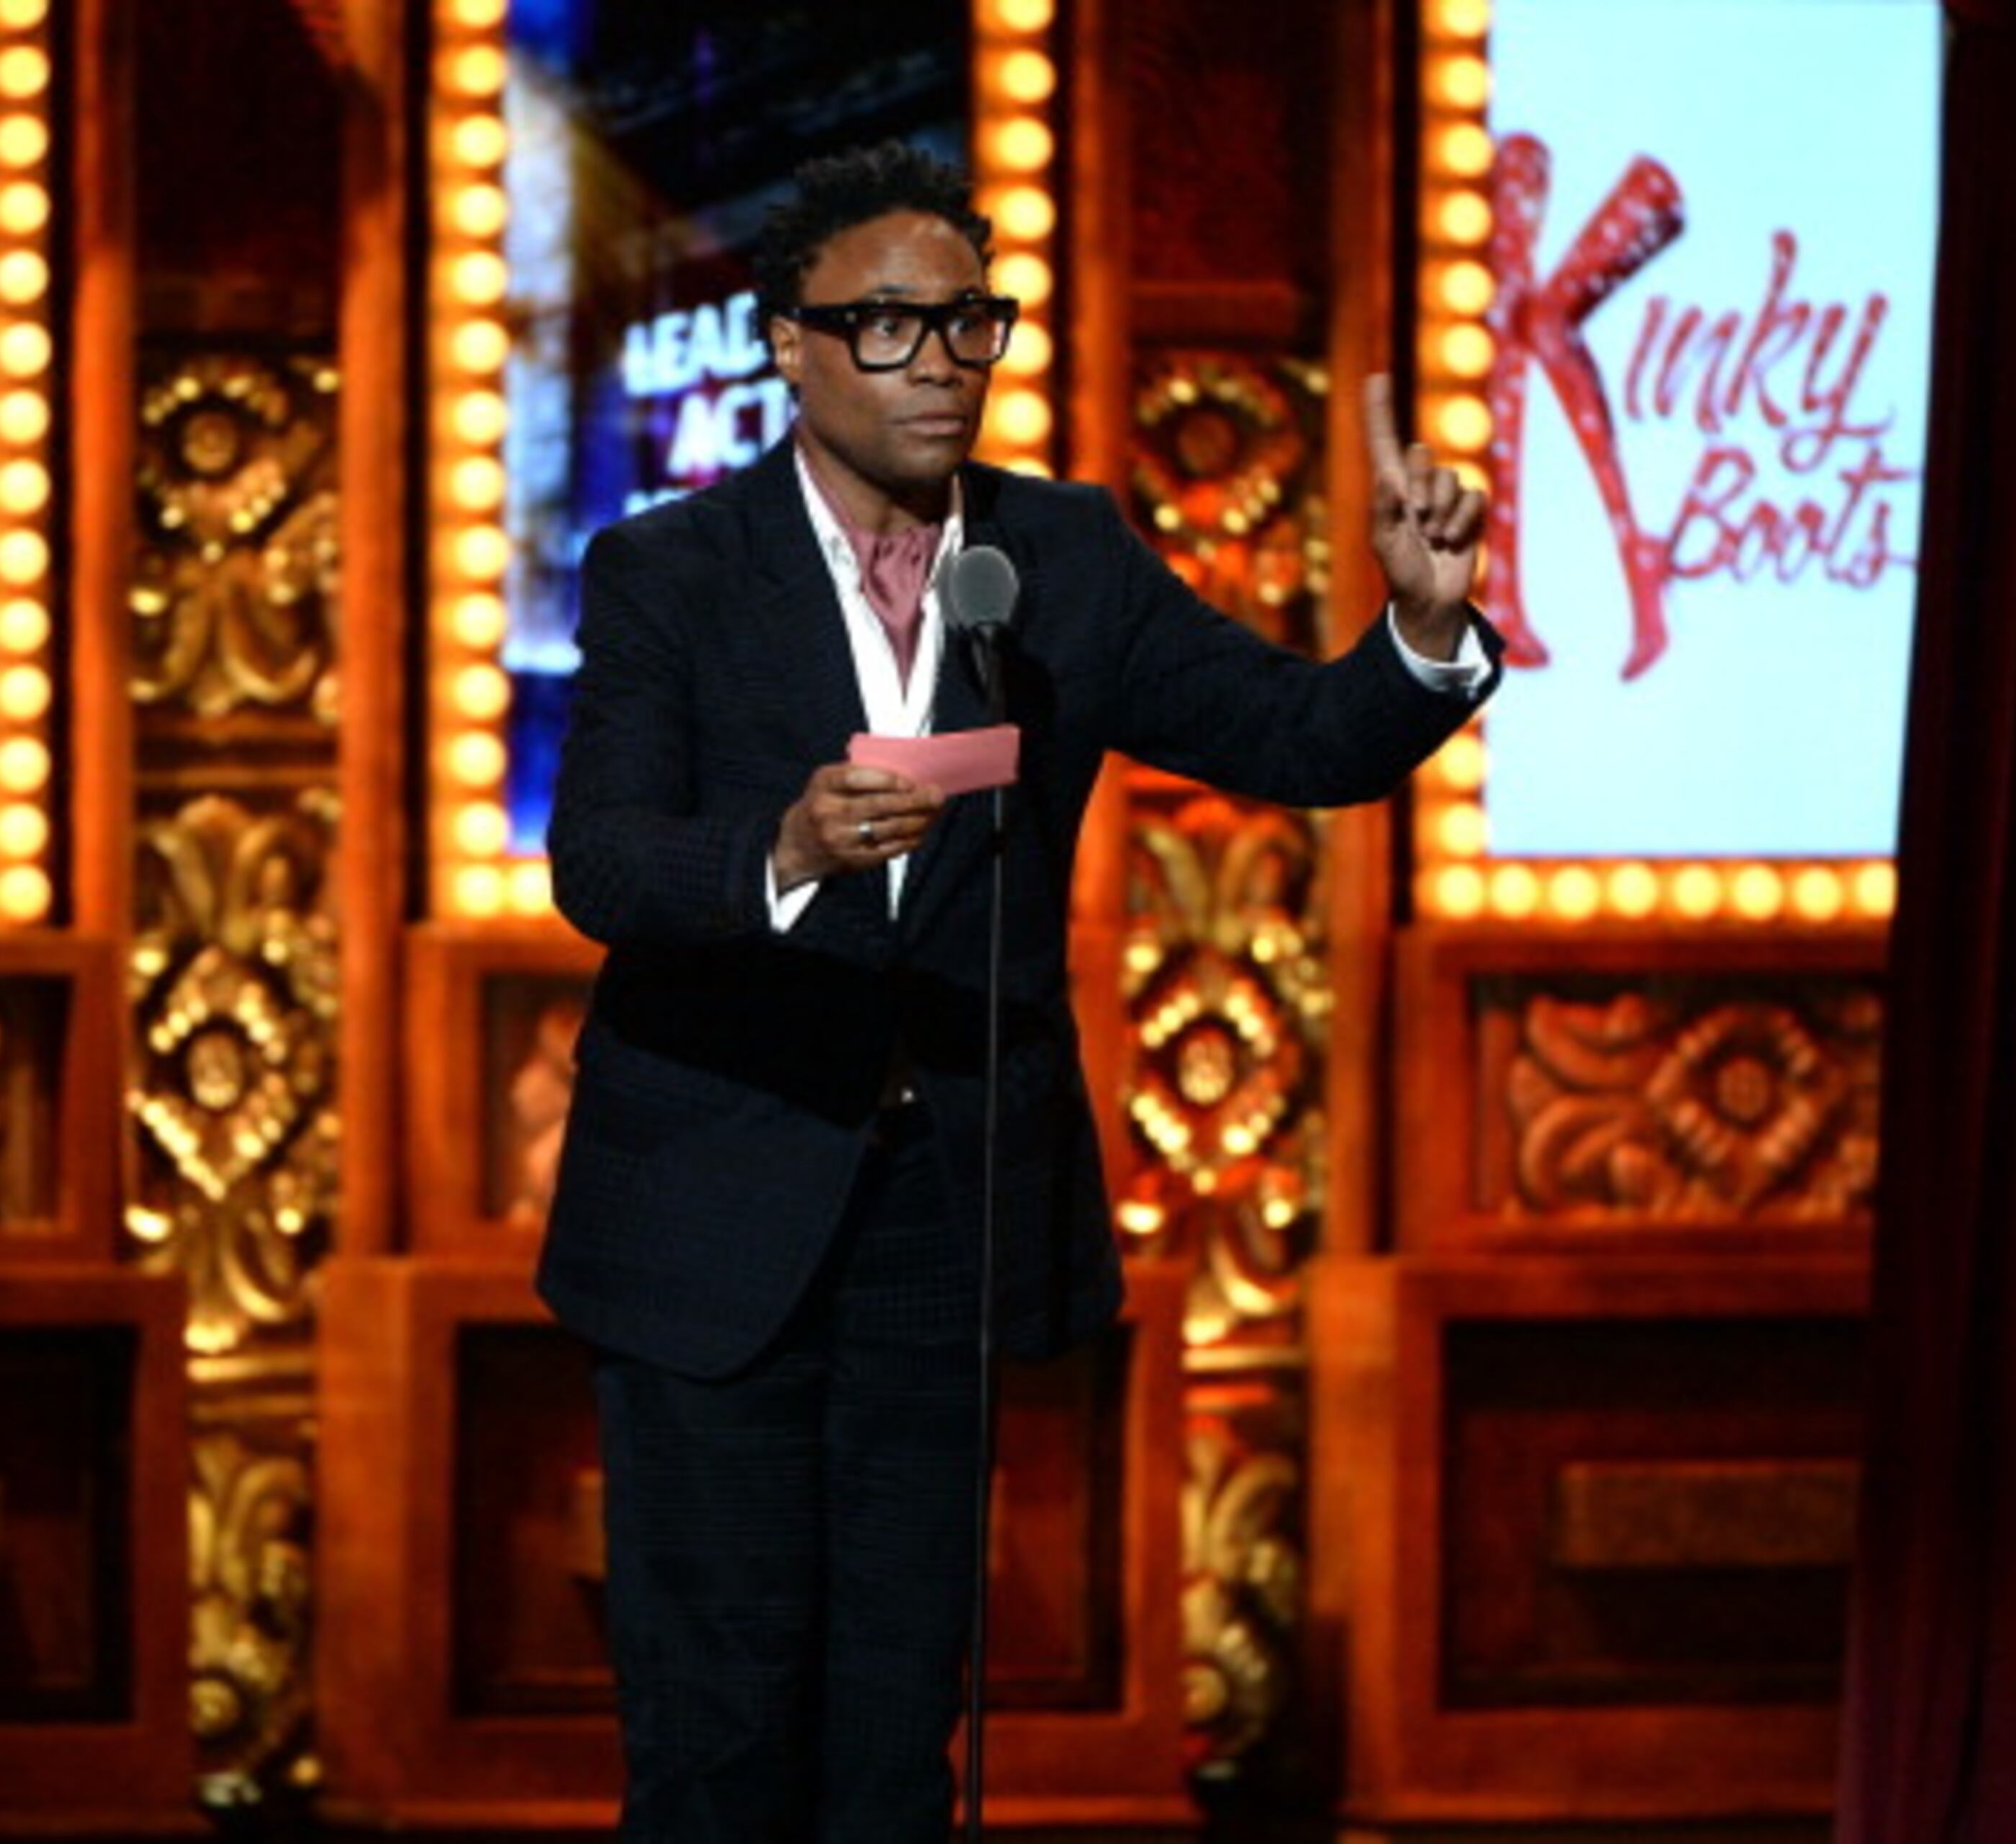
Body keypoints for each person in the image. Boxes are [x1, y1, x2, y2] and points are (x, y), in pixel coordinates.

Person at [539, 141, 1499, 1843]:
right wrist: (784, 847)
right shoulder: (670, 570)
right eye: (895, 326)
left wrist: (1422, 633)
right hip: (713, 1218)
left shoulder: (1059, 557)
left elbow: (1293, 738)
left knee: (896, 1744)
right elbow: (602, 864)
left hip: (945, 1218)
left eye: (971, 323)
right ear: (791, 343)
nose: (946, 363)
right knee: (718, 1746)